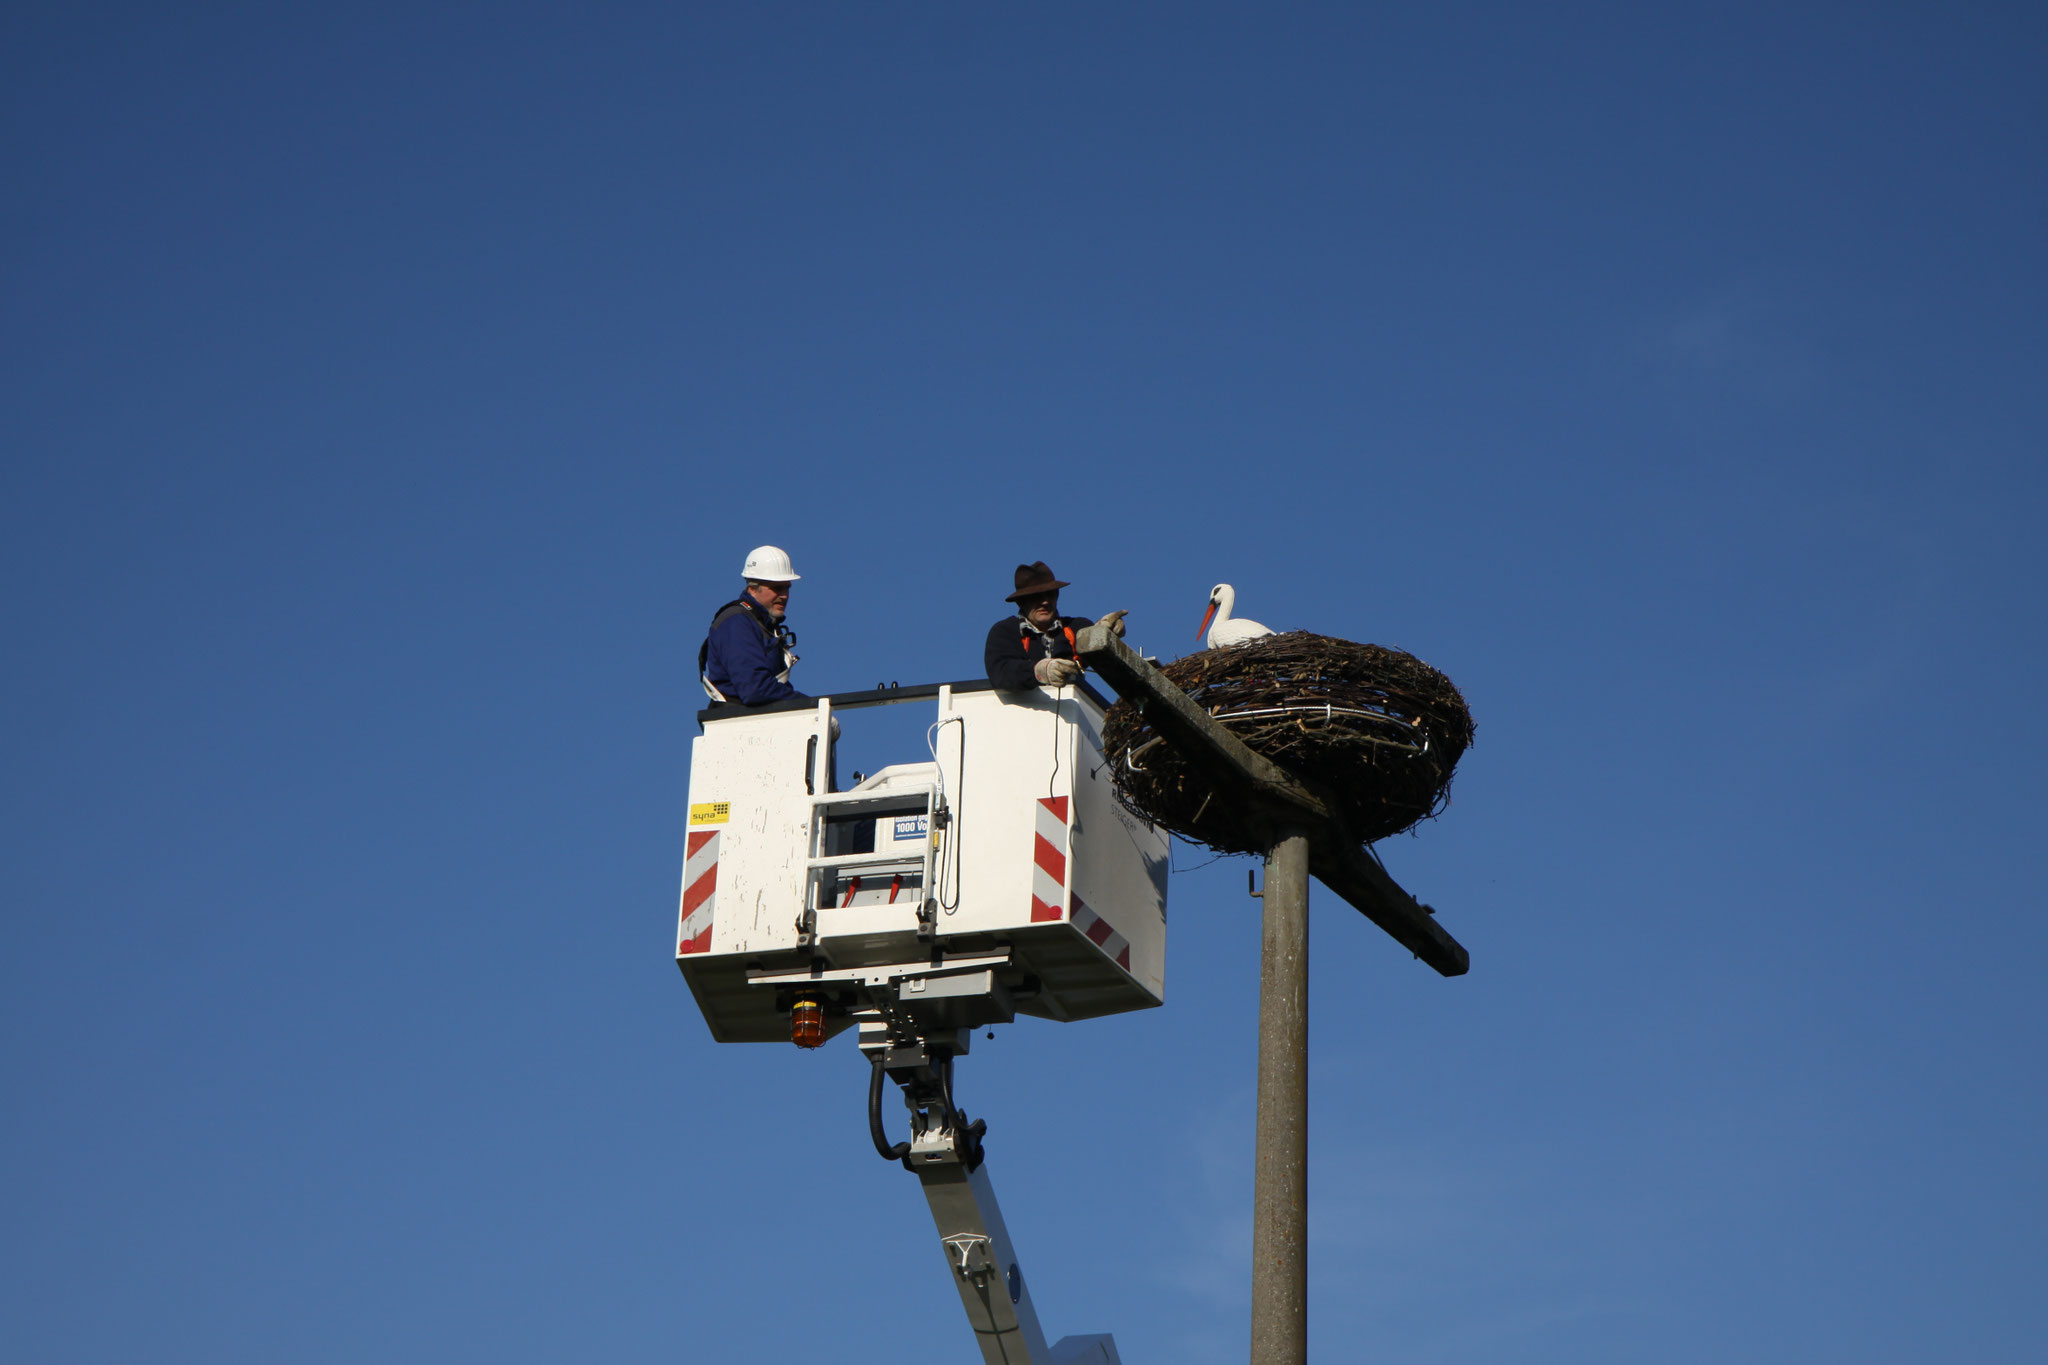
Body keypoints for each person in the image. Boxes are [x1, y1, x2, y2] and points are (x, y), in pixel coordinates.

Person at [984, 561, 1127, 691]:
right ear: (1022, 602)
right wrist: (1039, 671)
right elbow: (1001, 672)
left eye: (1050, 595)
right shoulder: (1005, 632)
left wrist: (1106, 634)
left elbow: (1098, 653)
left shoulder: (1076, 627)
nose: (1045, 602)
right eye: (1036, 597)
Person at [701, 546, 808, 705]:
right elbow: (756, 689)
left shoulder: (761, 625)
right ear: (752, 588)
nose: (784, 596)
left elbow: (770, 689)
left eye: (787, 588)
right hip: (737, 723)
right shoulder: (736, 622)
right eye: (777, 588)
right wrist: (812, 706)